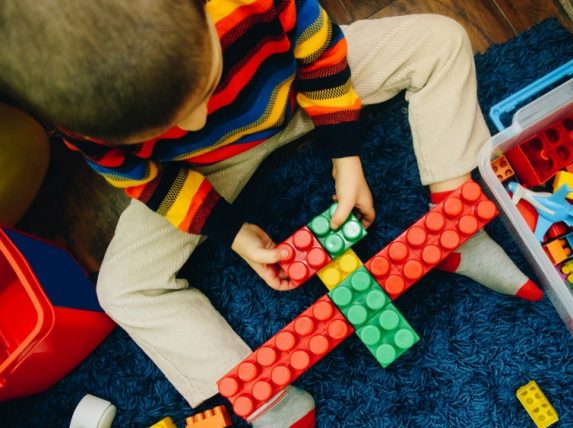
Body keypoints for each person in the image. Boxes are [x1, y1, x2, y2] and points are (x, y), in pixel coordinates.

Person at [0, 1, 542, 426]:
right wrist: (230, 232)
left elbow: (322, 49)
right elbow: (151, 181)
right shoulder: (85, 127)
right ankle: (266, 400)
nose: (193, 121)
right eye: (162, 128)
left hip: (297, 93)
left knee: (439, 41)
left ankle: (454, 226)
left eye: (204, 88)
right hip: (207, 170)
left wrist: (345, 152)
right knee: (120, 288)